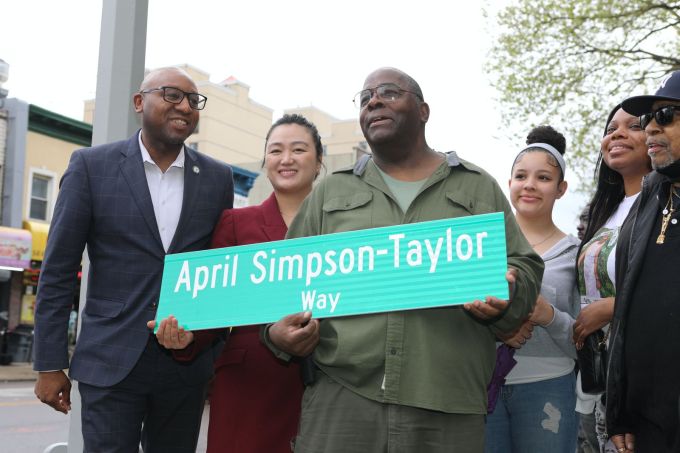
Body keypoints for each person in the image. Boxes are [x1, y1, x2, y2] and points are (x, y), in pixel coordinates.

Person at [261, 67, 544, 452]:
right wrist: (277, 335)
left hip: (447, 404)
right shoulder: (331, 191)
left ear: (423, 110)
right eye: (365, 98)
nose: (374, 101)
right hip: (343, 399)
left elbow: (524, 266)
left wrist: (509, 292)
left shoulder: (478, 187)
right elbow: (283, 284)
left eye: (390, 92)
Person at [32, 67, 234, 452]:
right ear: (140, 102)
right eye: (172, 95)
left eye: (194, 100)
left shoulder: (217, 179)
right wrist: (48, 363)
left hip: (185, 366)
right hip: (109, 361)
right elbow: (57, 272)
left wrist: (214, 352)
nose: (185, 106)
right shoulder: (91, 167)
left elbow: (217, 269)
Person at [152, 114, 323, 453]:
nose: (285, 159)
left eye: (299, 149)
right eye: (275, 151)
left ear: (319, 163)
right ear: (265, 162)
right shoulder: (235, 223)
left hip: (327, 385)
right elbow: (209, 310)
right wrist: (186, 336)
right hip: (250, 386)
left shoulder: (348, 228)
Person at [485, 126, 580, 452]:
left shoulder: (575, 254)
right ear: (508, 183)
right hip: (484, 390)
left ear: (561, 188)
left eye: (543, 178)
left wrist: (549, 315)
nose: (529, 185)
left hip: (550, 390)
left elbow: (585, 341)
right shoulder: (483, 247)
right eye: (521, 176)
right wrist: (500, 330)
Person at [607, 70, 680, 453]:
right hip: (647, 426)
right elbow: (626, 316)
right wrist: (620, 409)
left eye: (665, 115)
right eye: (646, 120)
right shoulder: (649, 198)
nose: (650, 129)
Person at [573, 102, 652, 453]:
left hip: (647, 377)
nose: (616, 134)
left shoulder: (668, 204)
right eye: (610, 128)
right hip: (598, 378)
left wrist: (614, 308)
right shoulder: (603, 211)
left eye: (633, 126)